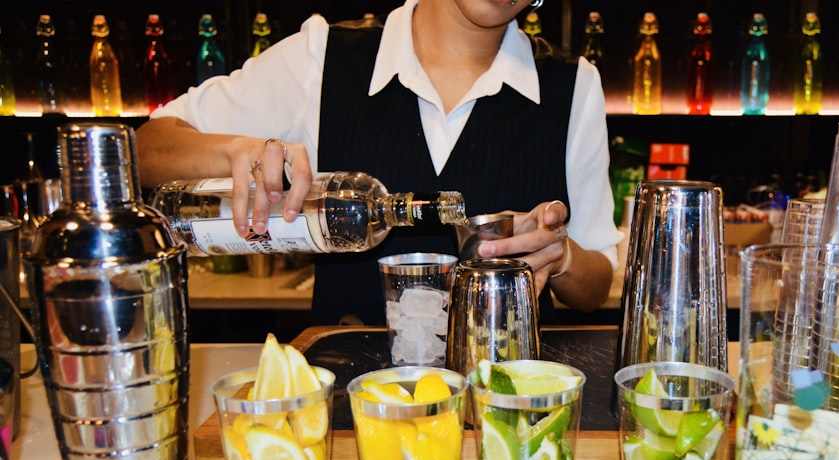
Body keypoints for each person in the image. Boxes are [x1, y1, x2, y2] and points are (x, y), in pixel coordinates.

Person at [135, 0, 622, 326]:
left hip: (502, 427)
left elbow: (597, 282)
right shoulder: (321, 57)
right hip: (353, 427)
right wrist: (233, 150)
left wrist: (561, 254)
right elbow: (146, 149)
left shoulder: (572, 85)